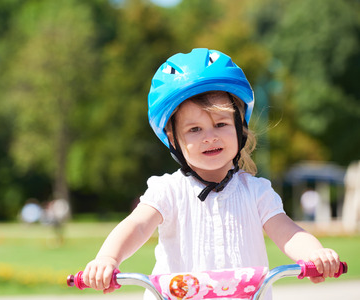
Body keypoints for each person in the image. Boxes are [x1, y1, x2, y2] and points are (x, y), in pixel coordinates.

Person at [82, 49, 341, 299]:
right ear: (173, 138)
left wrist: (314, 254)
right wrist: (107, 259)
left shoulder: (257, 193)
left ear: (240, 127)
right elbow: (136, 226)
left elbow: (288, 233)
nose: (210, 137)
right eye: (195, 129)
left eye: (221, 124)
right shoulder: (168, 191)